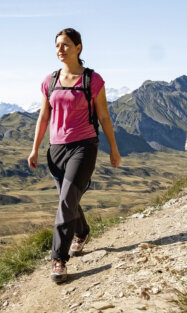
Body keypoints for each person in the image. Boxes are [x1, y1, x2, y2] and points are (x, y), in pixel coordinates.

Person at [27, 28, 121, 283]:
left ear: (78, 48)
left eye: (66, 45)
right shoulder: (50, 81)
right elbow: (44, 117)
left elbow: (104, 116)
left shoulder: (92, 80)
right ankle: (82, 232)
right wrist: (35, 148)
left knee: (67, 200)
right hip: (56, 149)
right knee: (68, 199)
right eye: (57, 45)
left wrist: (113, 148)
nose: (60, 49)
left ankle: (58, 259)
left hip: (84, 146)